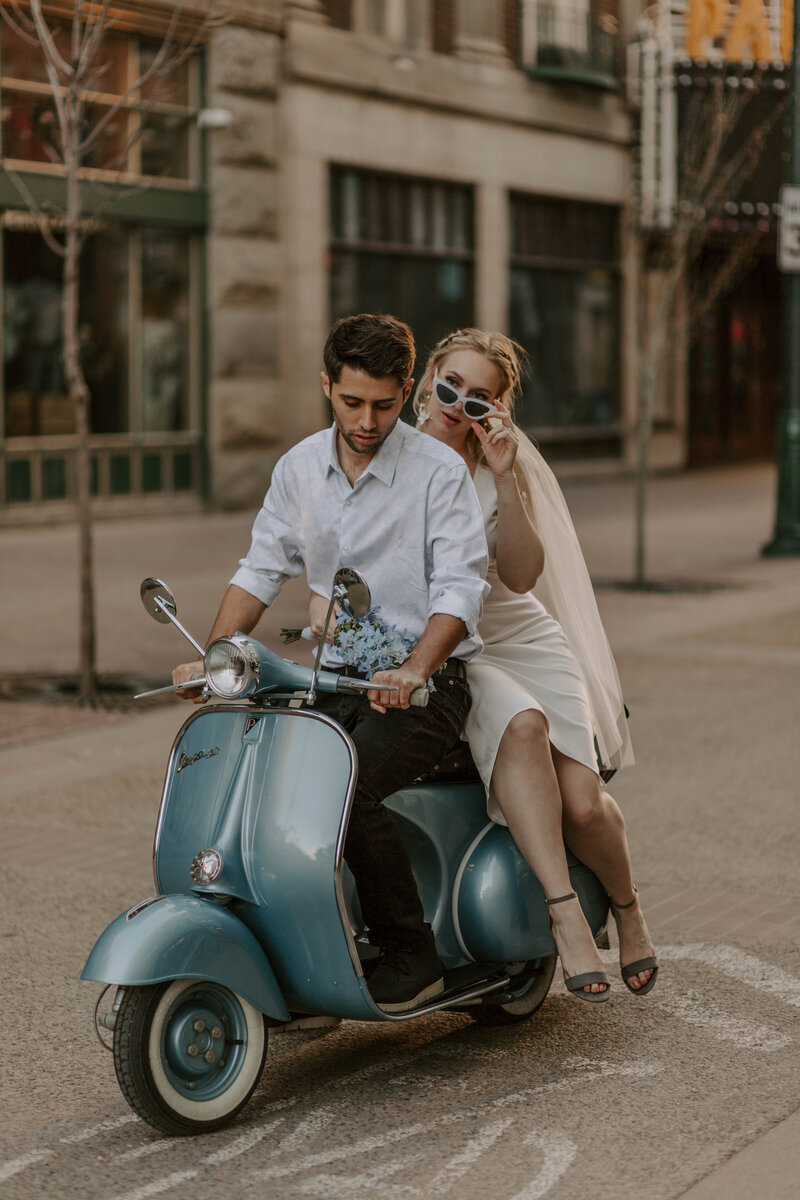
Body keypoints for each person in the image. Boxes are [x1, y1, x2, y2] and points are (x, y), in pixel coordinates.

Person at [173, 313, 489, 1014]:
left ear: (408, 390)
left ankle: (413, 954)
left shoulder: (438, 473)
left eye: (383, 403)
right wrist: (213, 656)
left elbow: (462, 591)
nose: (367, 420)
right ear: (327, 386)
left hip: (425, 688)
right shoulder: (298, 469)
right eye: (351, 402)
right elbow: (259, 571)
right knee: (265, 776)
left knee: (347, 791)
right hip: (333, 678)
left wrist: (413, 669)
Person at [411, 329, 657, 1001]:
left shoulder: (498, 467)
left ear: (497, 407)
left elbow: (520, 576)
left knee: (583, 804)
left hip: (523, 637)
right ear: (427, 380)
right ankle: (564, 915)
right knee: (519, 728)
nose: (457, 403)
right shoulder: (389, 462)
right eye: (449, 385)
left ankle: (628, 909)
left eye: (478, 396)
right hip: (461, 649)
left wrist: (505, 473)